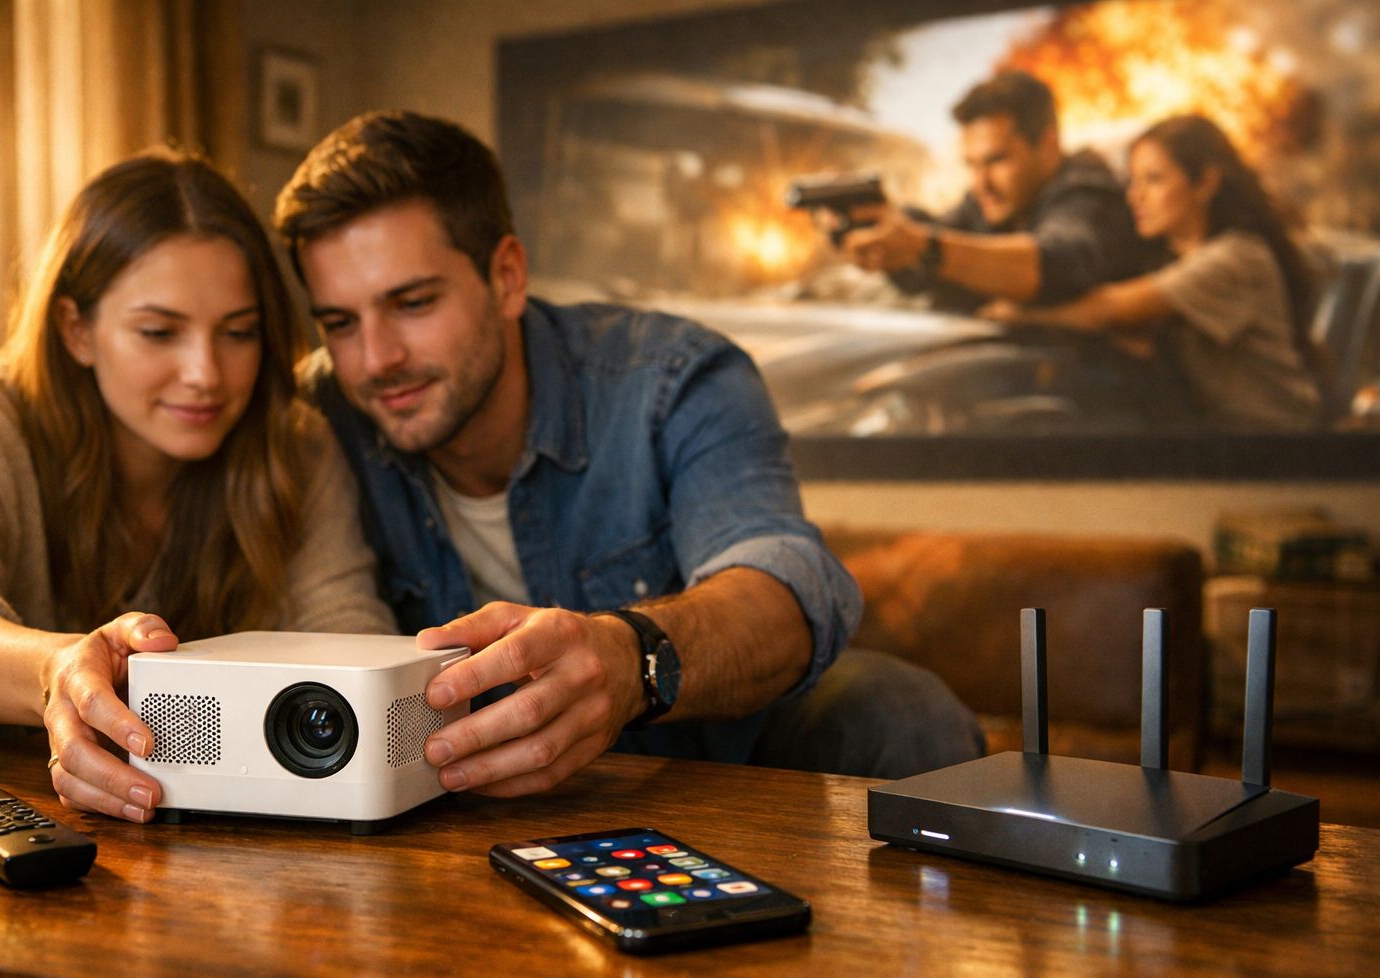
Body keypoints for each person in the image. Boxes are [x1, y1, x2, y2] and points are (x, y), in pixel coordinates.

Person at [273, 110, 984, 798]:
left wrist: (632, 657)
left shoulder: (673, 377)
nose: (376, 360)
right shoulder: (315, 418)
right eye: (339, 323)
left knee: (900, 709)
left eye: (414, 303)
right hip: (460, 787)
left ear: (508, 277)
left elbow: (783, 586)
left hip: (711, 754)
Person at [0, 151, 394, 819]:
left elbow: (349, 637)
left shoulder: (293, 442)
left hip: (167, 830)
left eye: (239, 333)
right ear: (77, 330)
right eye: (159, 332)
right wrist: (57, 671)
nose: (206, 374)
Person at [981, 114, 1324, 431]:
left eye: (1154, 180)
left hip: (1278, 446)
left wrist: (1021, 313)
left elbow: (1106, 309)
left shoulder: (1235, 257)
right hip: (1219, 438)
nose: (1135, 197)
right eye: (1133, 181)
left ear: (1205, 183)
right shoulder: (1170, 258)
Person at [841, 70, 1144, 313]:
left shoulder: (1088, 192)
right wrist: (874, 227)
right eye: (972, 165)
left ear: (1048, 146)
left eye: (997, 160)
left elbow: (1058, 264)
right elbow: (935, 238)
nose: (981, 183)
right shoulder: (990, 199)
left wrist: (925, 248)